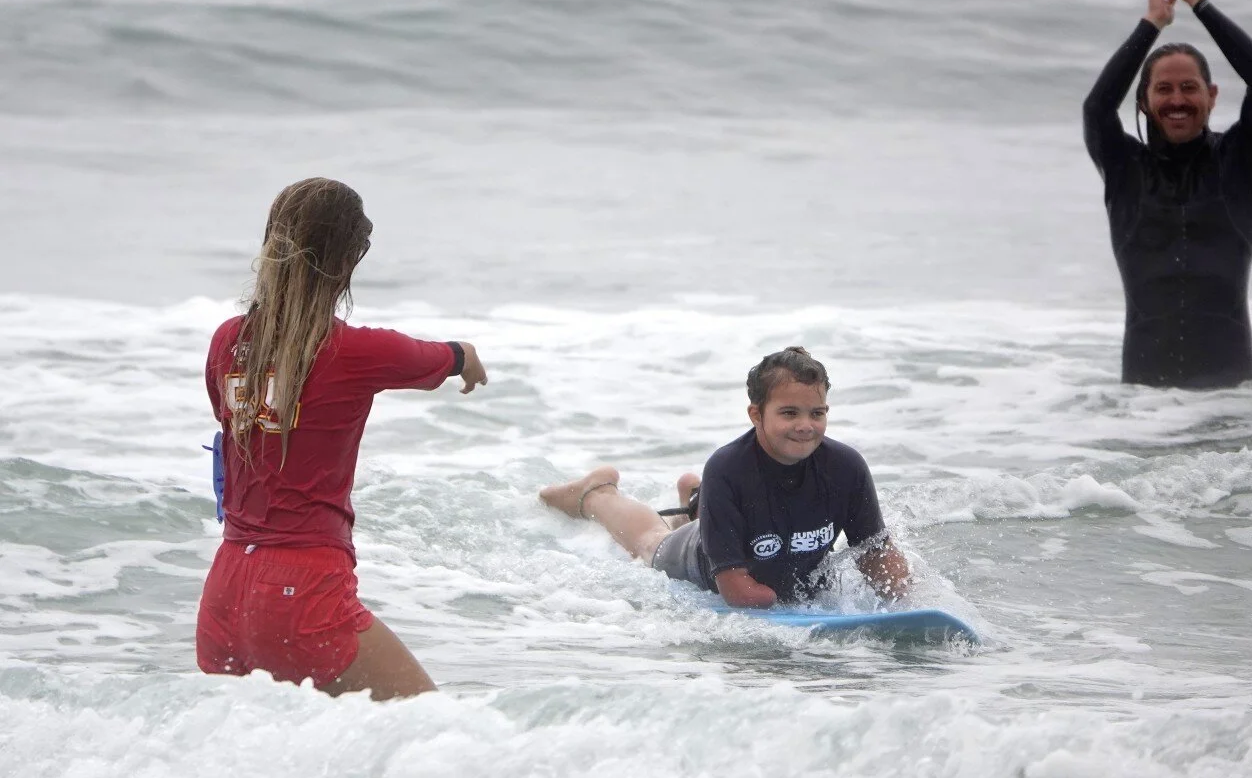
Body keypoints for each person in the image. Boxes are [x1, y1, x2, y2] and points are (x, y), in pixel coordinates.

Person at [196, 177, 488, 700]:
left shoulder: (225, 341)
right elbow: (442, 356)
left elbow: (232, 425)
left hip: (226, 592)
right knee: (437, 728)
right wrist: (466, 357)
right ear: (350, 260)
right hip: (303, 591)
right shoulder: (354, 352)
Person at [539, 347, 909, 608]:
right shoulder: (728, 468)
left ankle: (695, 502)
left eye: (817, 413)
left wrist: (902, 600)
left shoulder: (846, 468)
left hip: (744, 536)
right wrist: (799, 610)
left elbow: (876, 553)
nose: (805, 426)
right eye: (789, 413)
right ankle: (597, 494)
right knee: (650, 542)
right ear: (755, 414)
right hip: (695, 561)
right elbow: (739, 594)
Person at [1083, 0, 1252, 389]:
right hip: (1144, 407)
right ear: (1144, 101)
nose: (1177, 100)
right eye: (1164, 89)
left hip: (1231, 400)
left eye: (1189, 87)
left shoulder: (1239, 161)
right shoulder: (1125, 170)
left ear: (1212, 96)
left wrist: (1199, 2)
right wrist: (1152, 22)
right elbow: (1097, 108)